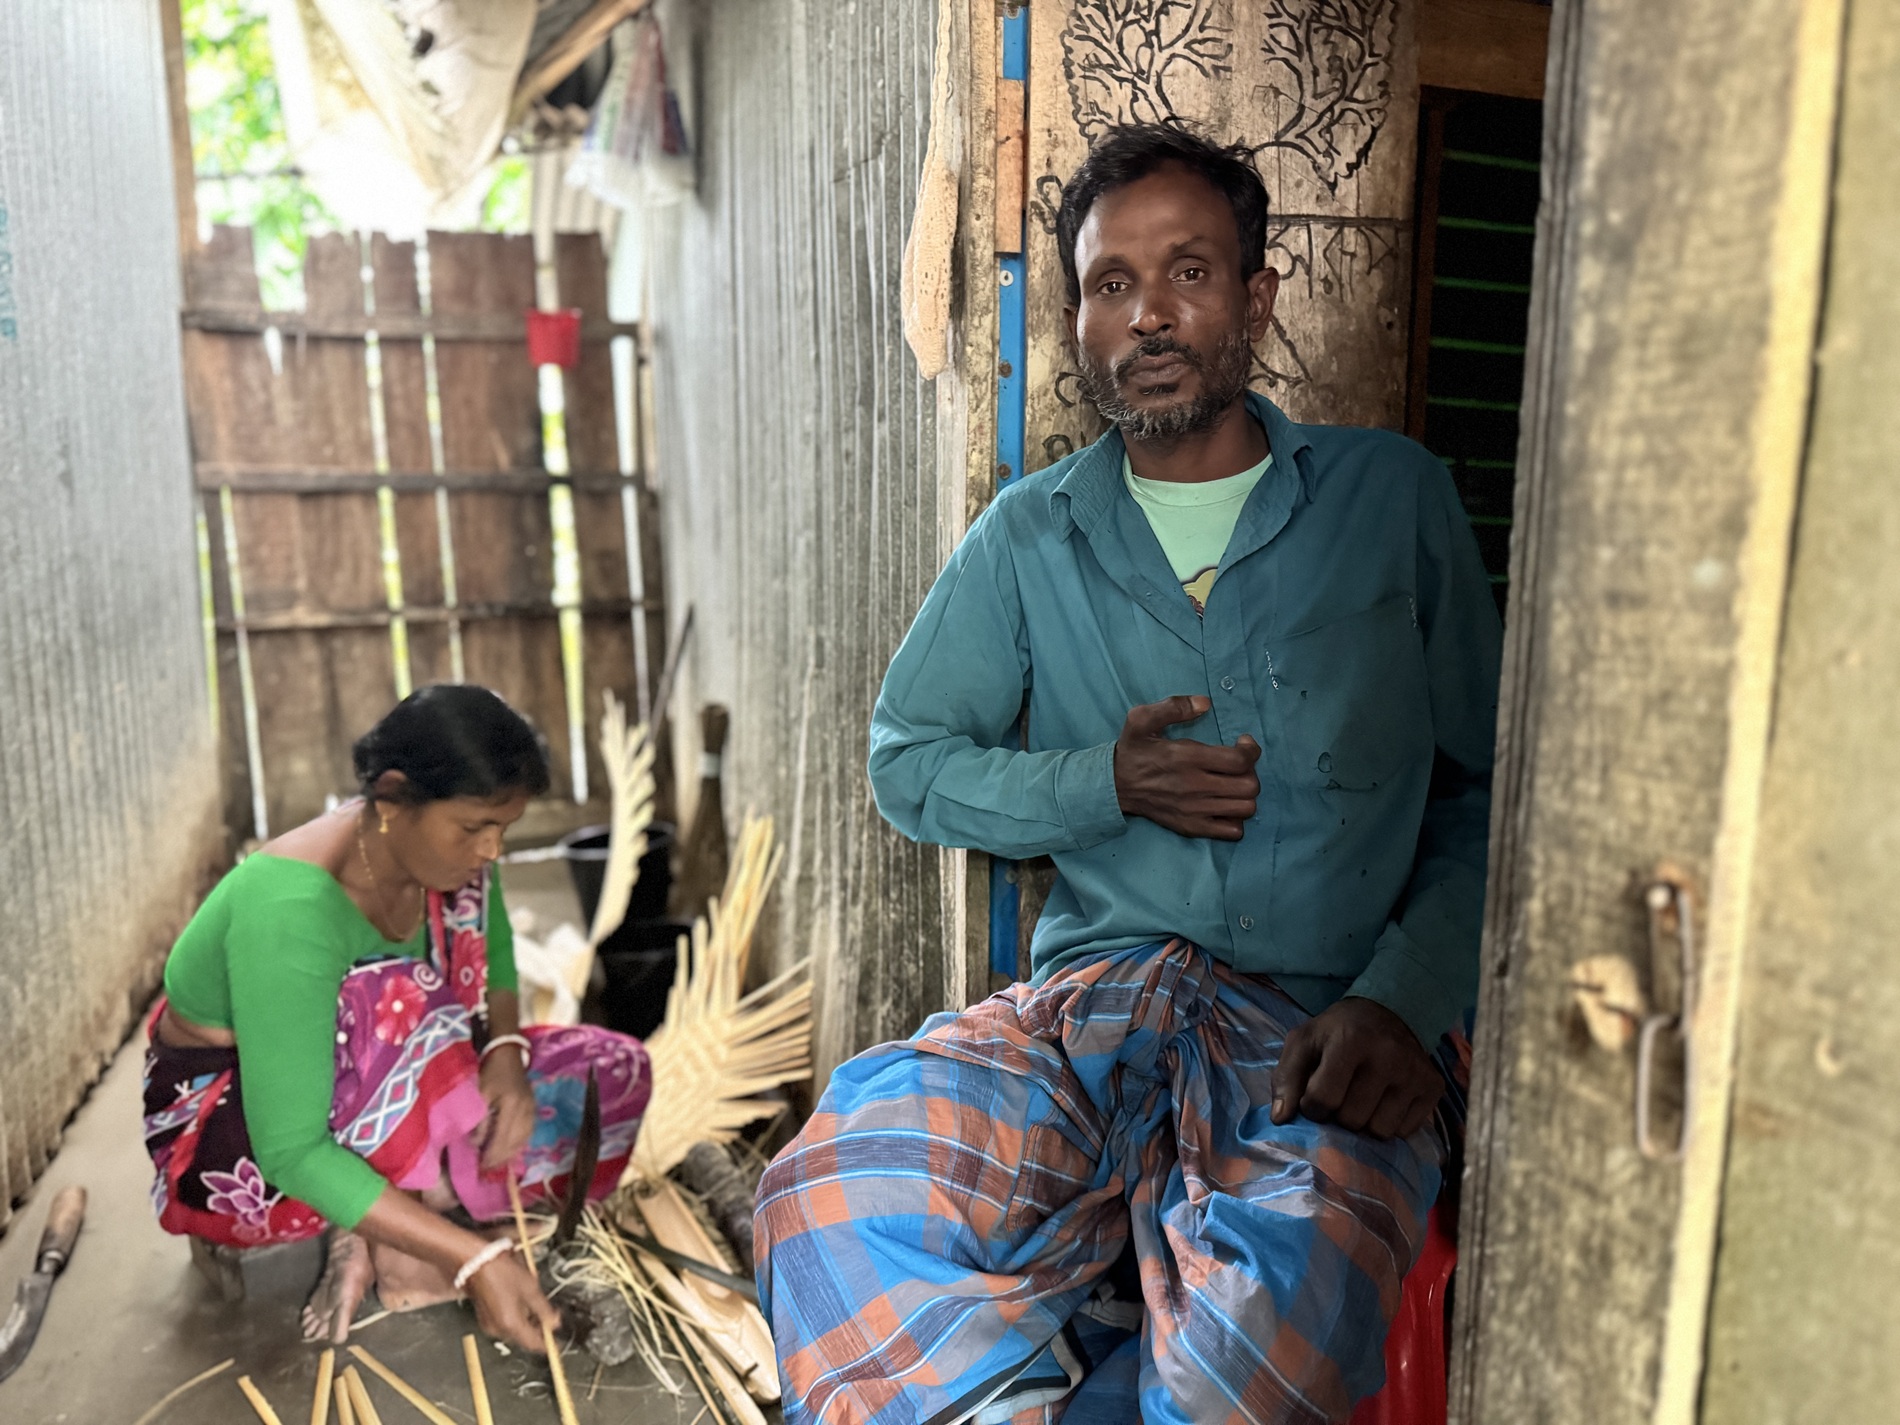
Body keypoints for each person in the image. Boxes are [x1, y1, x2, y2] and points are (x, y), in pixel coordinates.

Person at [755, 123, 1502, 1423]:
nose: (1149, 313)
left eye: (1191, 272)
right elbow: (906, 765)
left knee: (1250, 1353)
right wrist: (1107, 783)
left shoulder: (1392, 501)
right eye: (1111, 283)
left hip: (1317, 1032)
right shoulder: (1030, 535)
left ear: (1256, 299)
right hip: (1092, 1016)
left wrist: (1404, 996)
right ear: (1078, 319)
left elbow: (1498, 796)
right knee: (826, 1192)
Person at [142, 684, 651, 1353]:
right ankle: (400, 1238)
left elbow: (492, 949)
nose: (492, 849)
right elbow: (289, 1147)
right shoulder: (288, 910)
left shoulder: (442, 859)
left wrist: (504, 1052)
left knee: (611, 1073)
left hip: (376, 1087)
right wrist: (475, 1260)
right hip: (240, 1140)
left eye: (504, 827)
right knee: (389, 1002)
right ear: (391, 797)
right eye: (476, 828)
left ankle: (406, 1207)